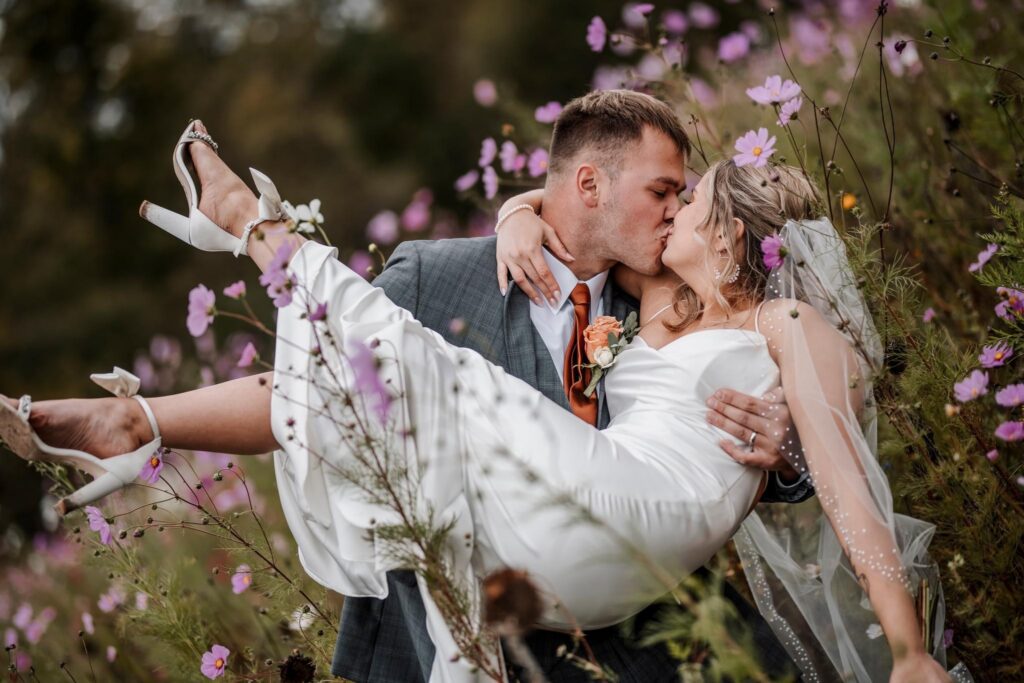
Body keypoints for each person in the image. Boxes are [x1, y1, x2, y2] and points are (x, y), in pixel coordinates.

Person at [0, 91, 953, 682]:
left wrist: (788, 445)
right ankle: (136, 418)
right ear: (588, 185)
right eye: (664, 191)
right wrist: (514, 212)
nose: (671, 212)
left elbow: (832, 456)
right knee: (377, 372)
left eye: (685, 198)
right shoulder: (453, 274)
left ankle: (253, 225)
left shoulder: (673, 297)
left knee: (435, 375)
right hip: (510, 585)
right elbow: (314, 390)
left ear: (729, 231)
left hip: (636, 603)